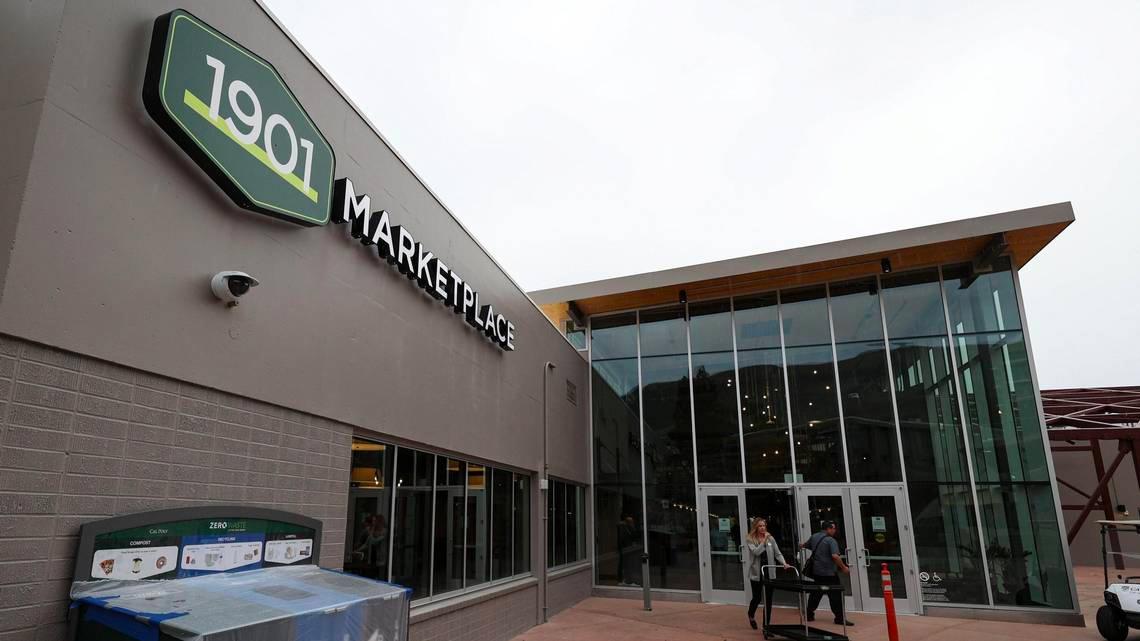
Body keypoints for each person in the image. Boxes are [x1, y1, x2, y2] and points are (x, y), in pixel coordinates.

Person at [801, 520, 854, 626]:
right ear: (828, 529)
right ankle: (839, 618)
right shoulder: (831, 540)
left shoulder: (814, 536)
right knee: (836, 595)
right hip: (829, 573)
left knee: (816, 593)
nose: (835, 530)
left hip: (817, 572)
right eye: (833, 528)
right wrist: (843, 567)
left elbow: (804, 545)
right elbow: (835, 556)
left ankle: (809, 614)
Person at [745, 517, 790, 630]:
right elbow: (756, 552)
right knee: (757, 598)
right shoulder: (750, 539)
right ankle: (751, 615)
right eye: (760, 526)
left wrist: (784, 563)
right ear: (755, 527)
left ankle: (767, 626)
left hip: (769, 572)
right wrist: (764, 541)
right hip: (757, 573)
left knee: (769, 600)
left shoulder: (771, 539)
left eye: (764, 526)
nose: (762, 528)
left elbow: (777, 553)